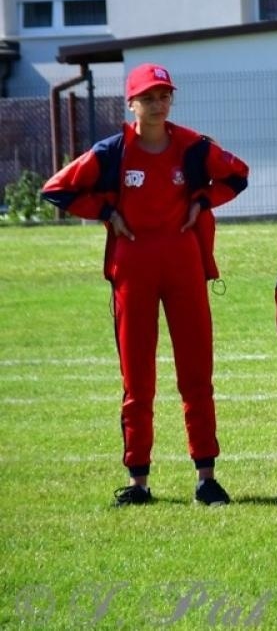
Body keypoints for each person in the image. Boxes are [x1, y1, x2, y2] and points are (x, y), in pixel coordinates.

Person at [41, 63, 249, 506]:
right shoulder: (112, 151)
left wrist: (202, 199)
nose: (158, 104)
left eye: (164, 96)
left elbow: (237, 174)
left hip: (183, 265)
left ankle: (206, 477)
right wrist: (106, 211)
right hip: (132, 268)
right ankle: (138, 482)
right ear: (131, 103)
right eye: (149, 97)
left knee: (197, 372)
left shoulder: (193, 147)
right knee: (138, 378)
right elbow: (56, 189)